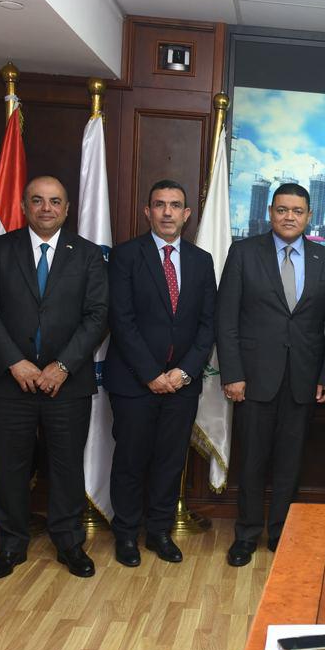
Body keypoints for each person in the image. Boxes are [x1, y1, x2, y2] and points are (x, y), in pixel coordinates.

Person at [0, 175, 108, 579]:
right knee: (9, 467)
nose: (46, 208)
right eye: (37, 200)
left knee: (66, 466)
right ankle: (11, 545)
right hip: (9, 381)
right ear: (24, 207)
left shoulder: (88, 255)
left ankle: (69, 543)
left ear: (67, 209)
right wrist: (15, 362)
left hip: (67, 383)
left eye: (55, 201)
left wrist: (62, 366)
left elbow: (98, 315)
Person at [217, 183, 325, 566]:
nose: (289, 217)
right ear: (270, 212)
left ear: (309, 216)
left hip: (304, 378)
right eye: (282, 209)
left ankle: (282, 532)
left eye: (297, 211)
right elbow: (226, 319)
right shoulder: (244, 252)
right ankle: (246, 535)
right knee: (252, 461)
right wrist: (232, 374)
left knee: (291, 462)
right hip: (253, 379)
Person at [103, 180, 215, 566]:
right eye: (159, 204)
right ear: (147, 211)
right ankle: (126, 533)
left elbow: (208, 324)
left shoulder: (201, 261)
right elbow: (122, 320)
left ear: (187, 214)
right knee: (130, 460)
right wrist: (151, 374)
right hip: (134, 381)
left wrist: (184, 372)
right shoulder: (125, 256)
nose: (167, 212)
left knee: (170, 461)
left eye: (175, 205)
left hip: (182, 384)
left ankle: (159, 532)